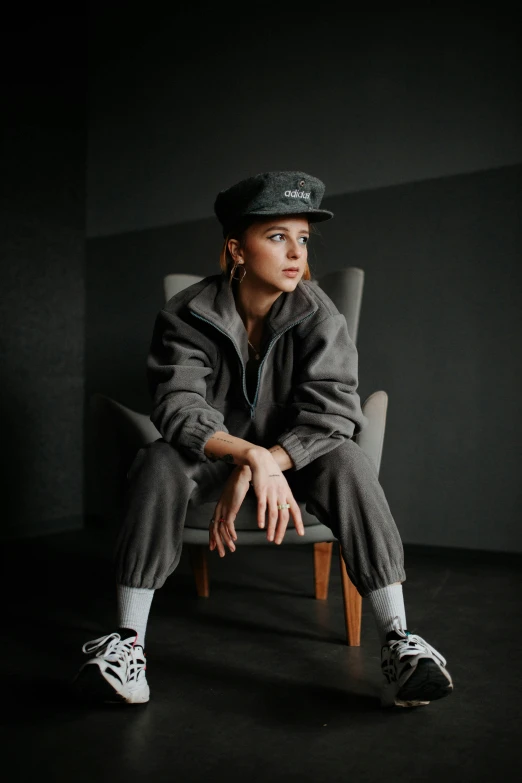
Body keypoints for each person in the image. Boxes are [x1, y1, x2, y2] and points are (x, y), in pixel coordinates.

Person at [72, 170, 453, 709]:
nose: (295, 252)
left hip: (295, 460)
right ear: (237, 249)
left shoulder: (320, 314)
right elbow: (176, 407)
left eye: (302, 238)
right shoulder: (187, 313)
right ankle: (128, 647)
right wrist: (246, 455)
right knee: (157, 460)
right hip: (208, 458)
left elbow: (332, 415)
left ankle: (399, 643)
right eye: (277, 236)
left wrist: (264, 464)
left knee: (346, 459)